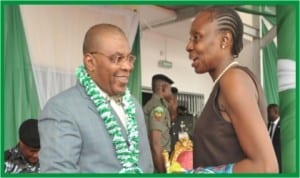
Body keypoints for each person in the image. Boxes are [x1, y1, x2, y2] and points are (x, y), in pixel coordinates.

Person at [38, 23, 153, 173]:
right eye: (117, 58)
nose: (128, 66)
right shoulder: (61, 109)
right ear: (90, 62)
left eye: (129, 58)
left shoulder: (134, 105)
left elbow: (146, 166)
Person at [184, 6, 278, 173]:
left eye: (196, 37)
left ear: (225, 40)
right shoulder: (230, 81)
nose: (188, 46)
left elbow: (266, 167)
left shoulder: (233, 80)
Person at [143, 74, 173, 173]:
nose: (171, 92)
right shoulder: (158, 107)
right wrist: (162, 172)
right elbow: (155, 144)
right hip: (156, 163)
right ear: (163, 88)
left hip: (156, 160)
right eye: (170, 89)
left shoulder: (158, 105)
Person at [267, 104, 281, 172]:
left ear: (275, 112)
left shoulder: (282, 124)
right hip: (268, 157)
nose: (267, 114)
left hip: (278, 159)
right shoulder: (268, 124)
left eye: (269, 112)